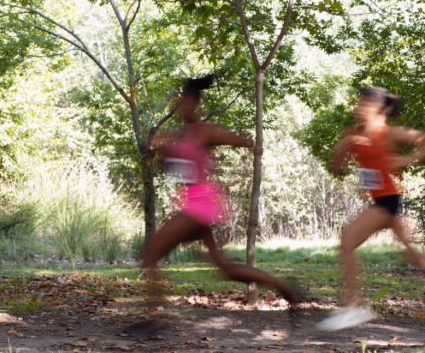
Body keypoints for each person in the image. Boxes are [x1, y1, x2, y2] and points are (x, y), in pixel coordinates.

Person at [125, 75, 301, 335]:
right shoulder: (176, 136)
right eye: (179, 103)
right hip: (194, 205)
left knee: (150, 252)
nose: (182, 107)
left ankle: (154, 319)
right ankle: (287, 288)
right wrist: (159, 152)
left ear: (195, 104)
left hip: (200, 206)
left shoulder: (203, 130)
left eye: (186, 102)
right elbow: (173, 170)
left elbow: (243, 141)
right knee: (224, 268)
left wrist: (242, 146)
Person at [316, 87, 425, 332]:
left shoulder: (390, 132)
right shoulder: (357, 135)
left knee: (347, 241)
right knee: (413, 254)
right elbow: (338, 165)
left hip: (388, 201)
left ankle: (352, 307)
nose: (358, 108)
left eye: (363, 104)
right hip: (384, 200)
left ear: (378, 108)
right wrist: (340, 153)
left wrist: (405, 160)